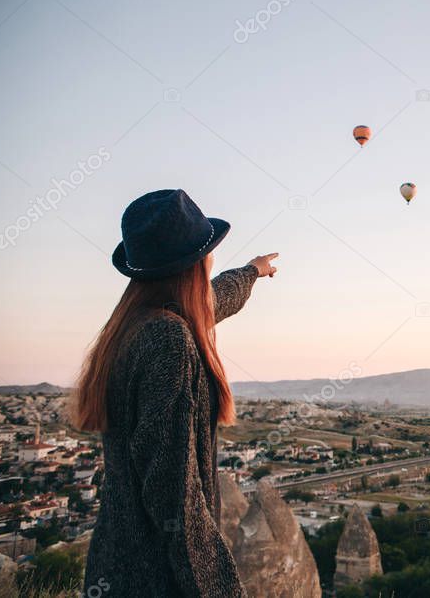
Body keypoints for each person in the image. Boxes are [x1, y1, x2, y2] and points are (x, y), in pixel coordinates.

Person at [75, 189, 278, 596]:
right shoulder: (168, 339)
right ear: (193, 264)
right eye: (210, 253)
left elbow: (212, 302)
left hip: (117, 561)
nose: (212, 260)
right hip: (155, 576)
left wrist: (252, 272)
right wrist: (218, 588)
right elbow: (174, 494)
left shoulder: (134, 325)